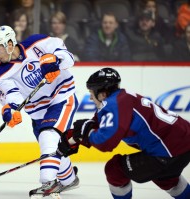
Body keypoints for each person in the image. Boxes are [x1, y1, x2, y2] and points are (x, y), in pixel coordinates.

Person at [56, 67, 190, 199]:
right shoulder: (121, 98)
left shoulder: (114, 104)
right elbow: (95, 125)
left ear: (102, 94)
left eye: (92, 93)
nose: (91, 98)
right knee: (166, 179)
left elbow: (105, 142)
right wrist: (71, 139)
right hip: (182, 144)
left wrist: (87, 134)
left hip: (167, 150)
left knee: (115, 170)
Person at [0, 25, 79, 198]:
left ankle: (48, 183)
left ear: (9, 43)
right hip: (38, 114)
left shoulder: (38, 42)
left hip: (62, 97)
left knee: (48, 136)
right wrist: (10, 111)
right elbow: (12, 97)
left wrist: (55, 61)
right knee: (52, 147)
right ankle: (69, 180)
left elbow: (68, 58)